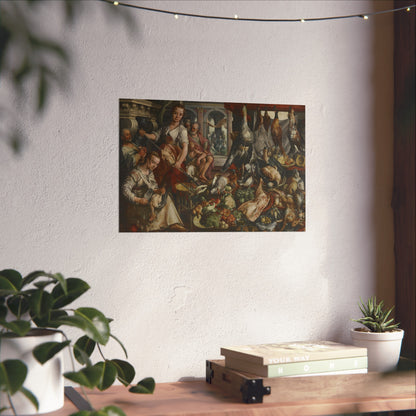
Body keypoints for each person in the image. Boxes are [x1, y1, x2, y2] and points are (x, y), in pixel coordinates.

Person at [122, 151, 186, 231]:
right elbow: (125, 189)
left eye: (156, 164)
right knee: (155, 206)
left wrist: (158, 190)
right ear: (147, 160)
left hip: (148, 198)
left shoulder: (150, 172)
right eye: (153, 162)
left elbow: (153, 187)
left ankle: (174, 223)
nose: (155, 166)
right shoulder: (135, 173)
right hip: (138, 204)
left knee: (166, 198)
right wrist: (138, 199)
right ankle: (168, 224)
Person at [145, 102, 189, 192]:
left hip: (173, 154)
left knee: (172, 174)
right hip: (161, 152)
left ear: (182, 116)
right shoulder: (165, 127)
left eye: (180, 114)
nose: (177, 116)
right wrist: (146, 134)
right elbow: (155, 136)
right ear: (172, 113)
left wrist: (179, 162)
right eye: (175, 113)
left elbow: (185, 148)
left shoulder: (182, 129)